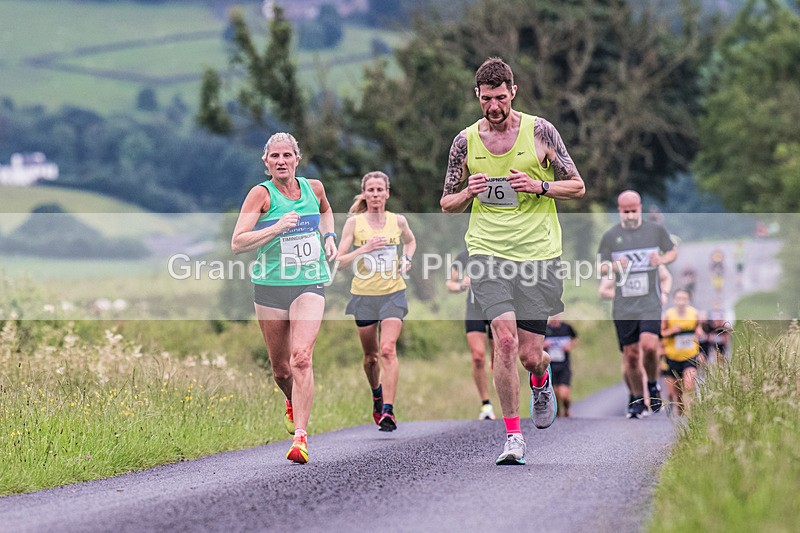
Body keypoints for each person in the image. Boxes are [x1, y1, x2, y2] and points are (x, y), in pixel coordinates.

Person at [440, 57, 585, 465]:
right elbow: (446, 203)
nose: (494, 107)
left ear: (513, 92)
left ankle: (541, 379)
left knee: (528, 354)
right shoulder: (464, 142)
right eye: (487, 99)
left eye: (501, 98)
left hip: (538, 255)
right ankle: (513, 437)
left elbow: (577, 186)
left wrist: (539, 186)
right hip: (487, 252)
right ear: (477, 96)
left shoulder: (540, 131)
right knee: (502, 341)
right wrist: (468, 192)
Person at [231, 132, 337, 464]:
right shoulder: (260, 195)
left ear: (296, 158)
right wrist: (275, 228)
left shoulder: (313, 188)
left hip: (309, 281)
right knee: (280, 370)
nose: (281, 161)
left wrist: (329, 236)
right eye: (274, 156)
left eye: (287, 155)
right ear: (266, 162)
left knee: (301, 357)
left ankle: (301, 438)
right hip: (271, 285)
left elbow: (327, 210)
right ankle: (291, 402)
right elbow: (238, 242)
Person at [336, 171, 416, 432]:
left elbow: (410, 242)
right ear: (365, 194)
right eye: (370, 190)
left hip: (393, 293)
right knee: (371, 358)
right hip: (364, 296)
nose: (375, 194)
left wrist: (407, 259)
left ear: (387, 193)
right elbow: (340, 261)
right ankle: (377, 394)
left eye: (380, 190)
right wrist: (364, 249)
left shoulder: (398, 221)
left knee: (388, 349)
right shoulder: (355, 224)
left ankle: (389, 411)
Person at [598, 190, 677, 419]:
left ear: (640, 208)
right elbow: (600, 267)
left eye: (634, 211)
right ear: (619, 211)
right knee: (631, 355)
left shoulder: (655, 231)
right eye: (626, 211)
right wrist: (614, 266)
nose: (630, 215)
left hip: (649, 302)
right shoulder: (611, 236)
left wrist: (661, 260)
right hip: (624, 306)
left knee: (650, 346)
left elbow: (673, 251)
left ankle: (653, 384)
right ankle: (637, 399)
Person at [447, 248, 496, 421]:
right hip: (474, 309)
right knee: (477, 357)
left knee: (498, 360)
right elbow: (450, 284)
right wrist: (462, 285)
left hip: (498, 308)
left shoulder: (502, 248)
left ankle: (506, 401)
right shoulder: (465, 254)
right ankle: (486, 404)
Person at [661, 288, 704, 415]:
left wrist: (699, 332)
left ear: (688, 300)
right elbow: (662, 333)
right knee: (675, 393)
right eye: (679, 299)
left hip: (690, 356)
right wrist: (671, 331)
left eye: (684, 299)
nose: (681, 302)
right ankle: (681, 413)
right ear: (674, 300)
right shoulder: (668, 315)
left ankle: (693, 413)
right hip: (672, 357)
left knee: (689, 385)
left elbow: (699, 329)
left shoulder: (695, 314)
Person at [544, 314, 578, 418]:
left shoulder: (566, 328)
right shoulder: (545, 329)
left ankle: (567, 408)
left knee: (564, 393)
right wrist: (544, 346)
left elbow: (575, 339)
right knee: (555, 392)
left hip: (564, 365)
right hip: (550, 365)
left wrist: (570, 346)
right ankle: (558, 412)